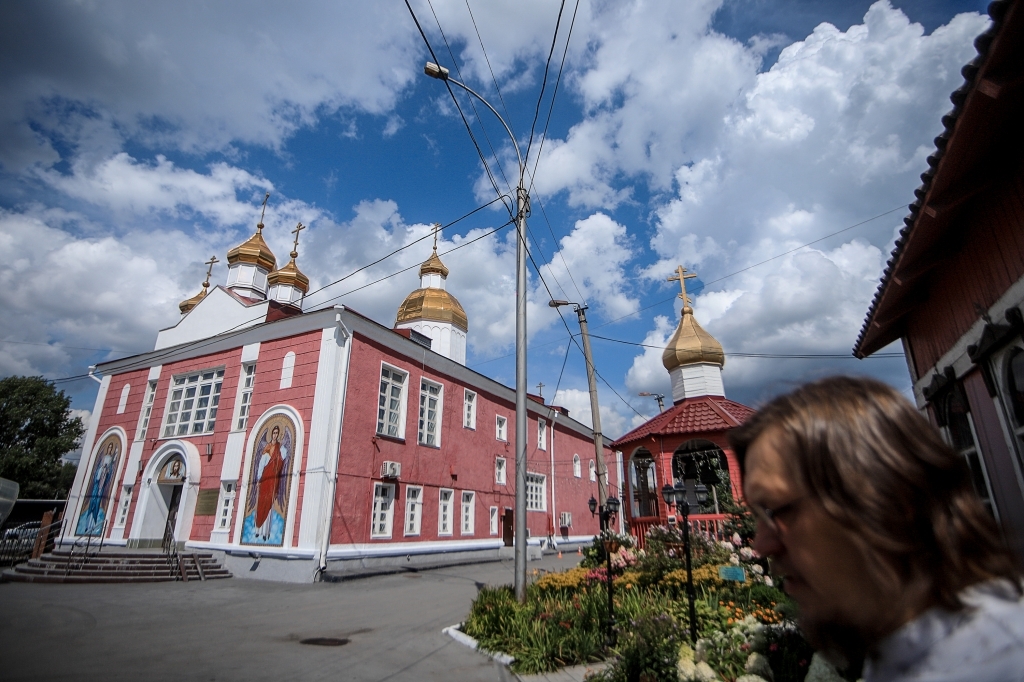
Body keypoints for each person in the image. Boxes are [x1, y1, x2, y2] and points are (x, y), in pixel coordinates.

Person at [728, 376, 1024, 681]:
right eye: (757, 516)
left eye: (778, 510)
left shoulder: (1002, 664)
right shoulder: (902, 654)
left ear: (891, 501)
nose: (761, 544)